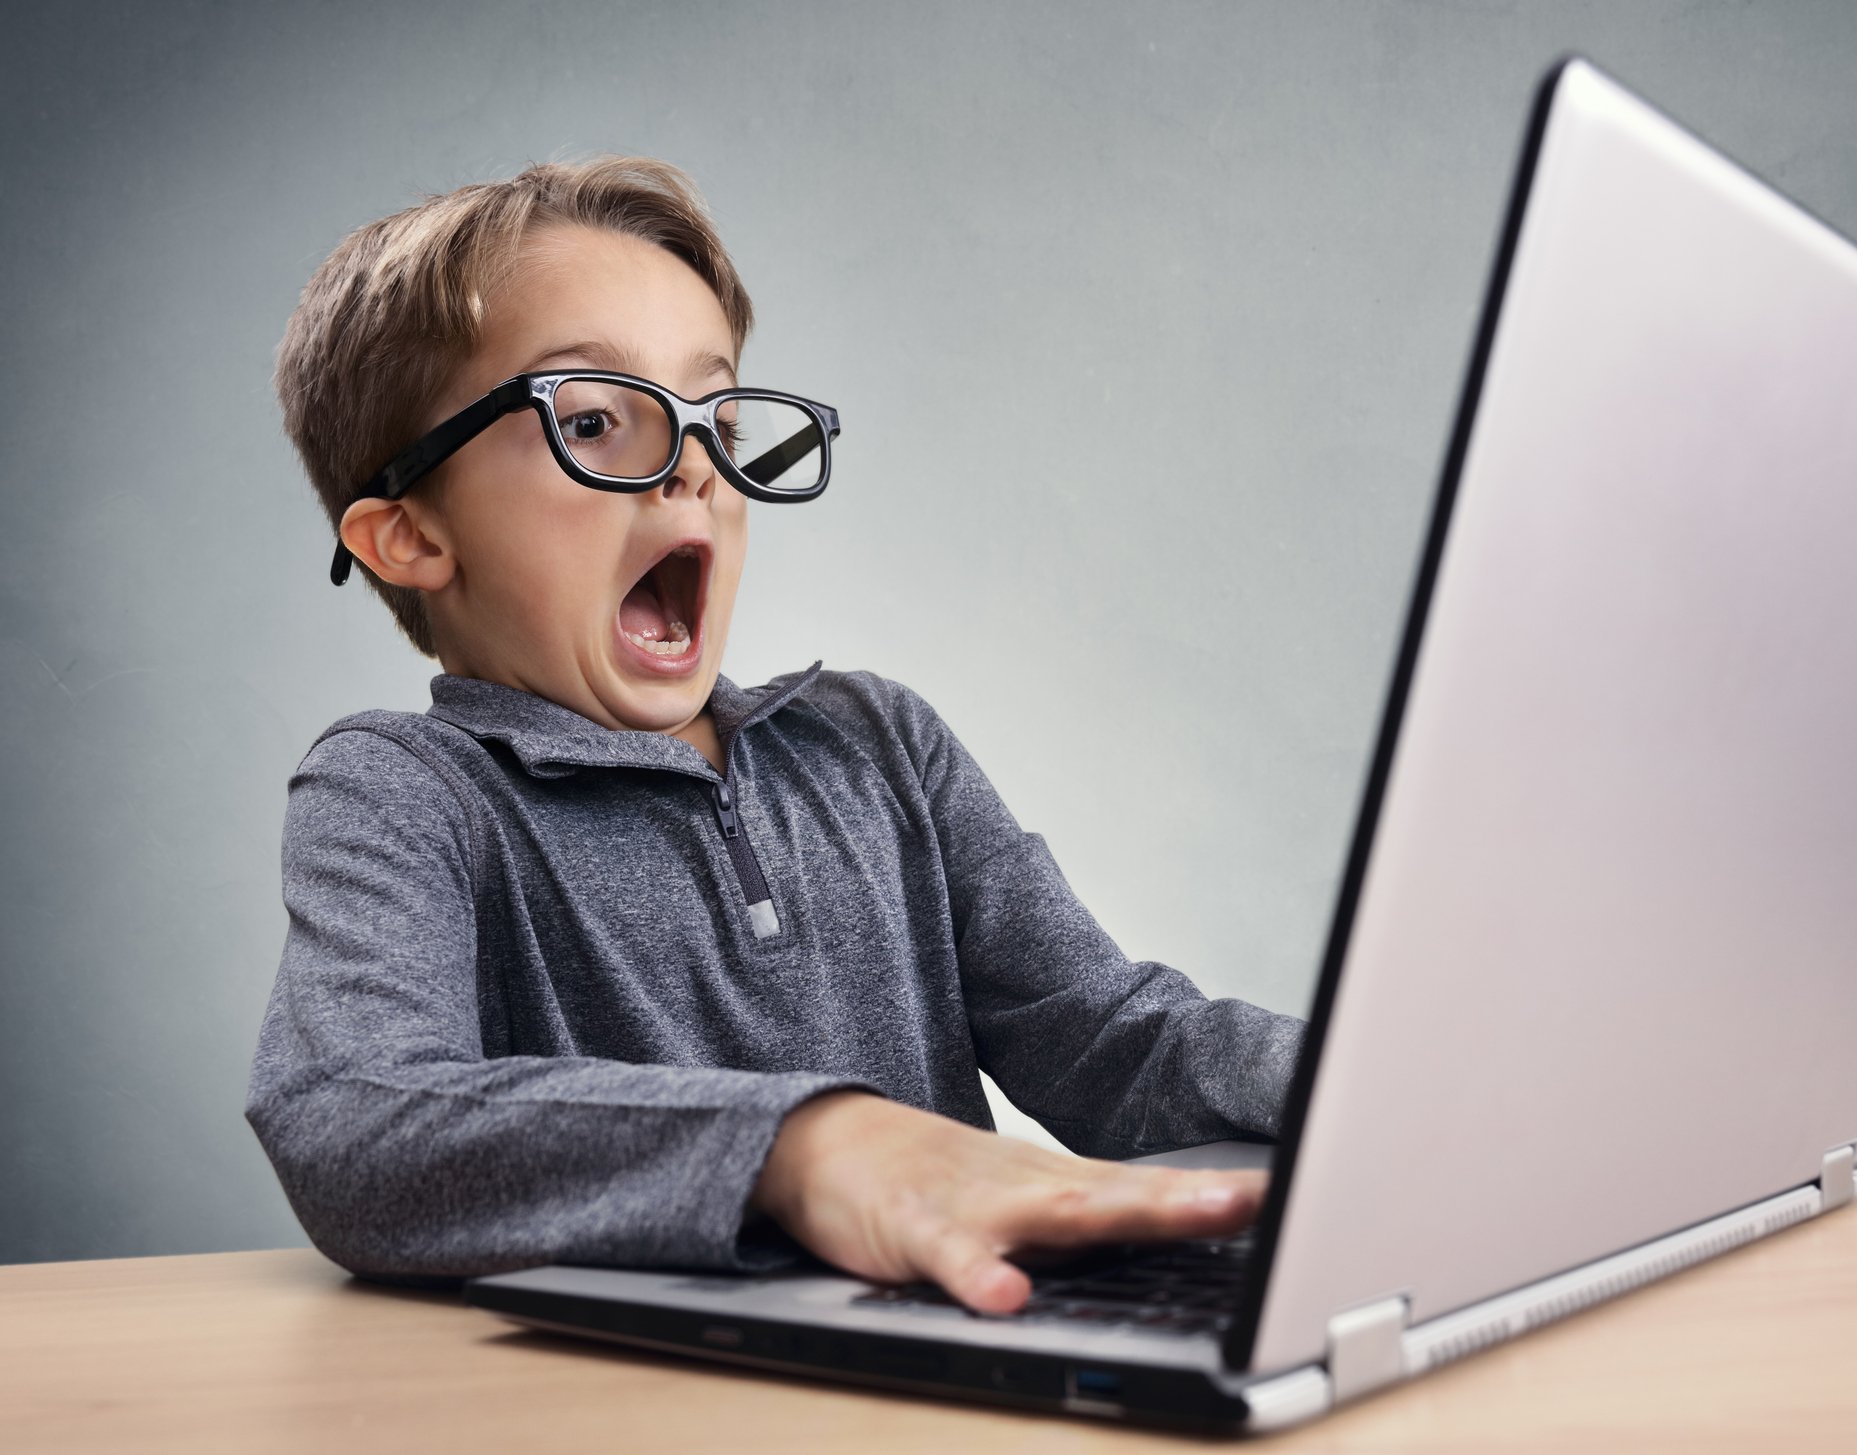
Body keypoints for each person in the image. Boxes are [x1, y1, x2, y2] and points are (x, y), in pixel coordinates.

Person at [246, 156, 1303, 1315]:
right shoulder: (404, 791)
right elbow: (351, 1118)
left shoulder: (881, 744)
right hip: (635, 1394)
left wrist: (1355, 1082)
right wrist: (805, 1148)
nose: (696, 467)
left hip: (962, 1349)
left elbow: (1115, 1047)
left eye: (721, 419)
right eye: (593, 420)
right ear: (410, 537)